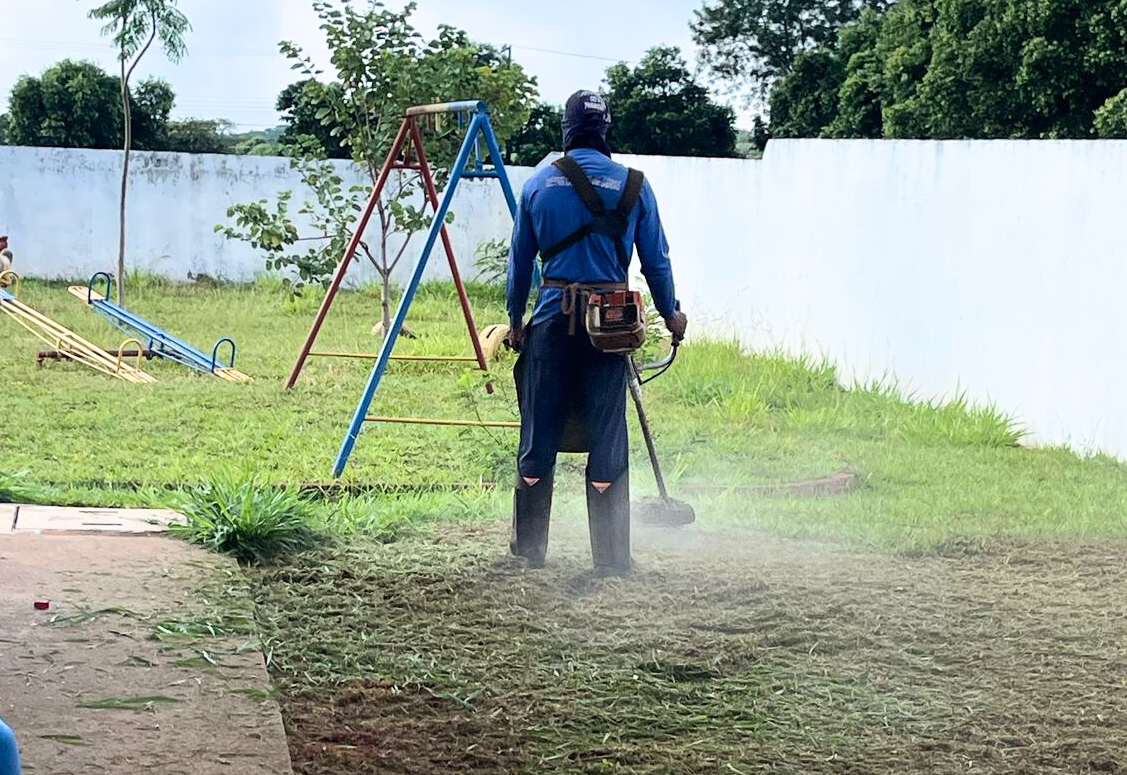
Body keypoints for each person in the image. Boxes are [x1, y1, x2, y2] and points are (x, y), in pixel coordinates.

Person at [505, 89, 688, 576]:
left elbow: (519, 262)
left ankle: (528, 556)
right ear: (605, 131)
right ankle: (610, 563)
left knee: (538, 434)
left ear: (566, 131)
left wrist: (516, 323)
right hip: (610, 329)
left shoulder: (539, 184)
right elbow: (657, 261)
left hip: (549, 324)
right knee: (608, 440)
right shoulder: (635, 185)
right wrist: (670, 314)